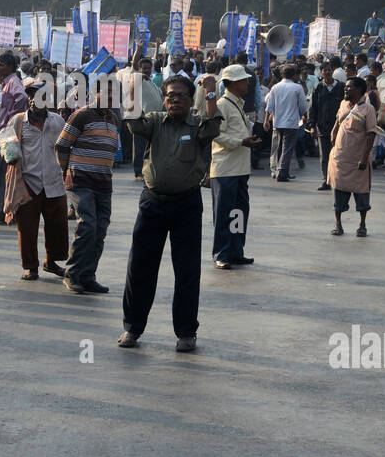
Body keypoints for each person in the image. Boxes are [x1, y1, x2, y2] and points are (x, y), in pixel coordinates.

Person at [118, 76, 222, 352]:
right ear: (164, 100)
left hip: (186, 205)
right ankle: (132, 328)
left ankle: (186, 333)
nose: (175, 100)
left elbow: (214, 127)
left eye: (181, 97)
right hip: (152, 204)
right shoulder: (154, 121)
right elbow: (132, 121)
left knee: (187, 271)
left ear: (191, 101)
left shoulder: (199, 124)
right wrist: (132, 89)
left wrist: (210, 92)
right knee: (140, 267)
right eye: (170, 96)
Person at [4, 80, 69, 280]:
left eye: (39, 96)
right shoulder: (17, 121)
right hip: (27, 183)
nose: (33, 100)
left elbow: (66, 147)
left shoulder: (57, 121)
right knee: (27, 228)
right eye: (31, 96)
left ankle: (52, 261)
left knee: (57, 226)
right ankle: (30, 266)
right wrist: (10, 154)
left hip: (54, 181)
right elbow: (7, 146)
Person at [56, 95, 119, 294]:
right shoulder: (81, 115)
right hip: (80, 180)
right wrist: (65, 169)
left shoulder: (114, 119)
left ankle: (88, 276)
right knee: (87, 226)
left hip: (103, 182)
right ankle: (72, 274)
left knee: (100, 229)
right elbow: (62, 145)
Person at [209, 64, 258, 269]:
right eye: (244, 80)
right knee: (224, 213)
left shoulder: (236, 103)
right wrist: (241, 142)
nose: (247, 83)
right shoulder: (223, 104)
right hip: (225, 169)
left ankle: (236, 251)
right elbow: (216, 134)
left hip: (239, 168)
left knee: (238, 212)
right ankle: (221, 252)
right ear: (233, 83)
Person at [328, 77, 379, 237]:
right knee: (338, 191)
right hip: (340, 157)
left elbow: (371, 135)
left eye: (349, 87)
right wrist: (334, 134)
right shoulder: (343, 104)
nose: (346, 89)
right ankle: (338, 224)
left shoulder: (368, 109)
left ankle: (362, 225)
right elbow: (338, 121)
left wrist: (364, 158)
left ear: (359, 90)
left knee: (361, 192)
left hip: (358, 159)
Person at [0, 52, 28, 223]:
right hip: (4, 133)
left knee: (2, 173)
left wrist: (12, 119)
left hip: (9, 135)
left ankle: (1, 209)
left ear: (10, 67)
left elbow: (22, 98)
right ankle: (7, 208)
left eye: (1, 65)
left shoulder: (13, 82)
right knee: (4, 172)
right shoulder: (5, 83)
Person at [264, 64, 309, 182]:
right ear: (293, 75)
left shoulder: (275, 87)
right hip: (291, 122)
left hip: (278, 121)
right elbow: (303, 106)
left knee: (280, 147)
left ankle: (281, 170)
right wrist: (304, 115)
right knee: (287, 148)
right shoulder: (297, 87)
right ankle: (282, 172)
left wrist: (266, 121)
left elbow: (270, 106)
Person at [122, 57, 162, 182]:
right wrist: (138, 50)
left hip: (153, 119)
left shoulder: (151, 81)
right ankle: (138, 172)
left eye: (149, 68)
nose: (147, 70)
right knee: (140, 146)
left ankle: (147, 170)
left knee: (149, 147)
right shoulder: (136, 77)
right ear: (139, 69)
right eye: (144, 68)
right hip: (141, 118)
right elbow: (134, 68)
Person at [308, 61, 345, 190]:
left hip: (340, 127)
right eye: (325, 70)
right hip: (322, 127)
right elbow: (313, 109)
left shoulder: (341, 87)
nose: (328, 72)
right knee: (324, 157)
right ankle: (326, 180)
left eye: (330, 70)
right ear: (321, 72)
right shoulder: (318, 88)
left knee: (339, 155)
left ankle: (338, 179)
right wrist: (312, 125)